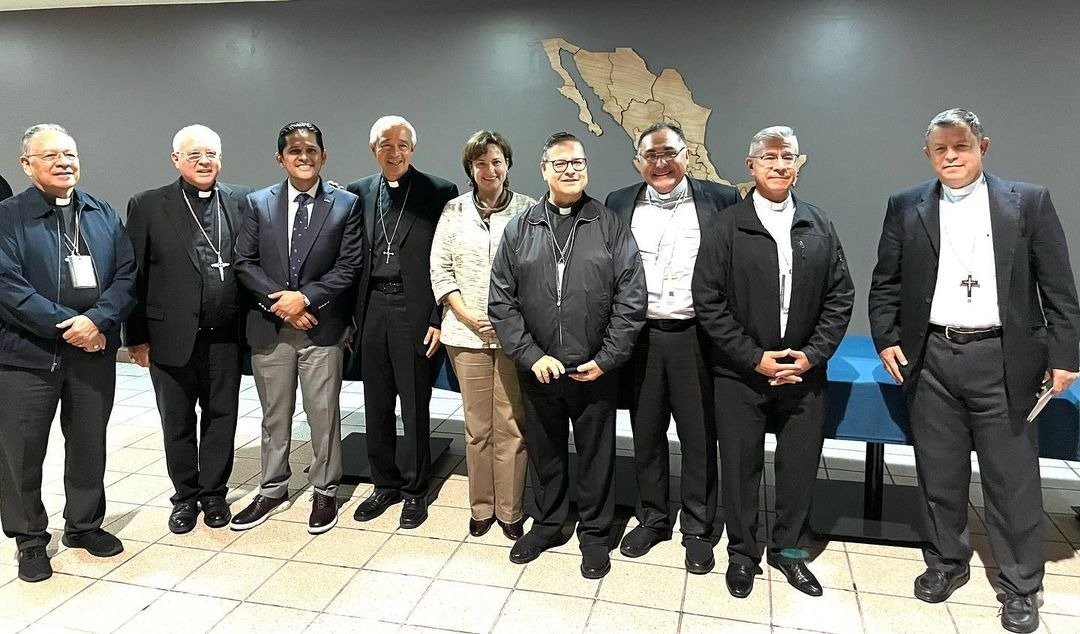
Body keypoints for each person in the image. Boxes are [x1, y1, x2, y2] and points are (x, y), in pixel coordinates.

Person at [868, 108, 1080, 634]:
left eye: (961, 146)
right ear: (927, 154)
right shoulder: (906, 205)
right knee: (938, 471)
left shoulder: (1028, 201)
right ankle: (946, 561)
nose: (951, 157)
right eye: (940, 149)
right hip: (932, 357)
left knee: (1012, 480)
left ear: (983, 146)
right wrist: (886, 338)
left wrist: (1064, 356)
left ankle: (1020, 585)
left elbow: (1058, 286)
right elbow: (886, 281)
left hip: (1003, 358)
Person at [693, 126, 853, 599]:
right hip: (740, 374)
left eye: (788, 157)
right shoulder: (727, 225)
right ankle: (743, 554)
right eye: (769, 157)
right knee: (740, 470)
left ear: (798, 165)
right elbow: (708, 301)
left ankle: (790, 552)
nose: (779, 165)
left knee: (798, 471)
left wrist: (812, 355)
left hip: (804, 375)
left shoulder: (818, 224)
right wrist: (753, 358)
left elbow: (840, 296)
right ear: (751, 166)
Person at [489, 131, 646, 579]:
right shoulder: (521, 228)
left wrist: (607, 357)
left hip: (594, 368)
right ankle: (548, 524)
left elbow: (631, 296)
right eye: (560, 163)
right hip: (539, 367)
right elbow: (501, 301)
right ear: (544, 170)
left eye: (577, 162)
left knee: (597, 456)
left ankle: (595, 535)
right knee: (546, 453)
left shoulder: (610, 225)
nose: (570, 170)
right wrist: (530, 355)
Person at [0, 124, 136, 582]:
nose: (64, 162)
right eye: (51, 155)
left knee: (89, 443)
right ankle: (30, 539)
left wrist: (97, 321)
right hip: (26, 356)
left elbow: (126, 276)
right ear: (27, 165)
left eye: (70, 154)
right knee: (21, 452)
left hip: (92, 353)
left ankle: (84, 525)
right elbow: (8, 287)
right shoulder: (7, 217)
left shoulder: (101, 212)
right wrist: (71, 327)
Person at [604, 121, 738, 574]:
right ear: (637, 161)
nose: (661, 163)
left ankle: (698, 527)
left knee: (698, 436)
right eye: (651, 155)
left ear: (687, 155)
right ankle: (654, 519)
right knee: (646, 432)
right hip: (640, 337)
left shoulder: (721, 200)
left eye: (669, 153)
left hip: (696, 336)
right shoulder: (619, 202)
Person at [231, 122, 363, 535]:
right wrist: (284, 305)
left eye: (311, 150)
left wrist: (304, 298)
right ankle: (272, 488)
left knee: (323, 415)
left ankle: (325, 490)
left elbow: (349, 266)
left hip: (322, 326)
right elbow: (244, 263)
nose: (303, 157)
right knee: (274, 415)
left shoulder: (346, 204)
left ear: (324, 156)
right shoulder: (258, 203)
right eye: (294, 150)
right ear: (280, 158)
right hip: (271, 326)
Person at [125, 125, 250, 534]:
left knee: (221, 417)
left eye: (211, 154)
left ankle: (214, 494)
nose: (203, 161)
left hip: (225, 335)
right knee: (177, 422)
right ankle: (184, 497)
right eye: (194, 155)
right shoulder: (148, 205)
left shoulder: (241, 200)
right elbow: (134, 276)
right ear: (176, 159)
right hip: (170, 336)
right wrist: (136, 338)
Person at [349, 116, 458, 530]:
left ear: (413, 149)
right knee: (376, 402)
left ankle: (415, 489)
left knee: (414, 402)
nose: (394, 152)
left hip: (415, 308)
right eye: (385, 144)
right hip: (371, 307)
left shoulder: (439, 191)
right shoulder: (358, 192)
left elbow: (448, 259)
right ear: (372, 148)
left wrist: (437, 317)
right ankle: (384, 484)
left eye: (402, 145)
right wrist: (351, 320)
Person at [430, 130, 535, 540]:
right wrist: (467, 314)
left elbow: (538, 272)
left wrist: (508, 318)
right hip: (464, 334)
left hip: (514, 336)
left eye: (496, 162)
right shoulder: (453, 210)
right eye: (480, 163)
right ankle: (482, 507)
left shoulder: (529, 210)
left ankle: (510, 510)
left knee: (511, 424)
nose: (489, 170)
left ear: (508, 165)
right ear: (470, 168)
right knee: (477, 428)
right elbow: (441, 270)